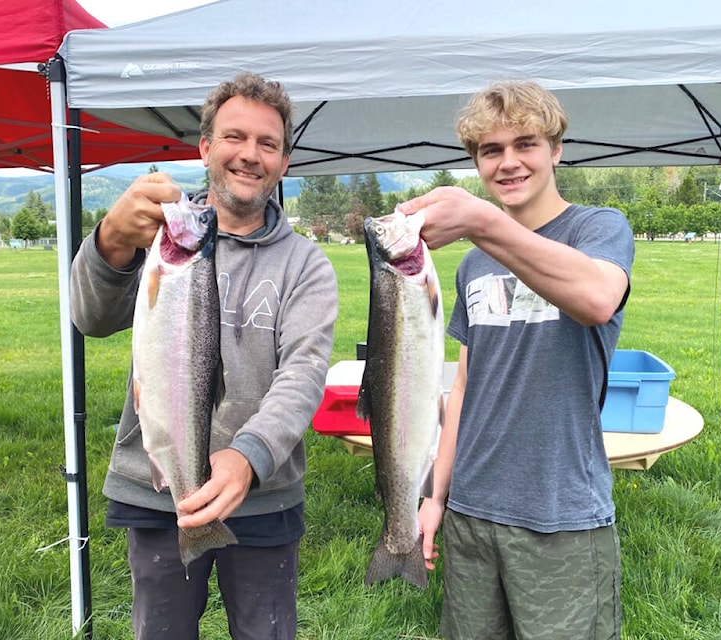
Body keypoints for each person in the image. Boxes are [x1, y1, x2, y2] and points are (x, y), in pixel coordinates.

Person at [70, 71, 339, 640]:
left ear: (284, 161)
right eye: (235, 137)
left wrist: (249, 455)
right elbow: (91, 320)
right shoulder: (161, 236)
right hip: (157, 490)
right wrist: (111, 242)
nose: (250, 155)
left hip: (264, 498)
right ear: (205, 147)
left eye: (268, 143)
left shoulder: (306, 265)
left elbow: (304, 375)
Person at [403, 80, 634, 639]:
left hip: (560, 512)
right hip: (473, 512)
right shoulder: (473, 266)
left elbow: (598, 300)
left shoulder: (598, 229)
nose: (509, 162)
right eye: (490, 150)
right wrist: (435, 495)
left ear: (556, 150)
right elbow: (465, 387)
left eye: (525, 144)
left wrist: (484, 223)